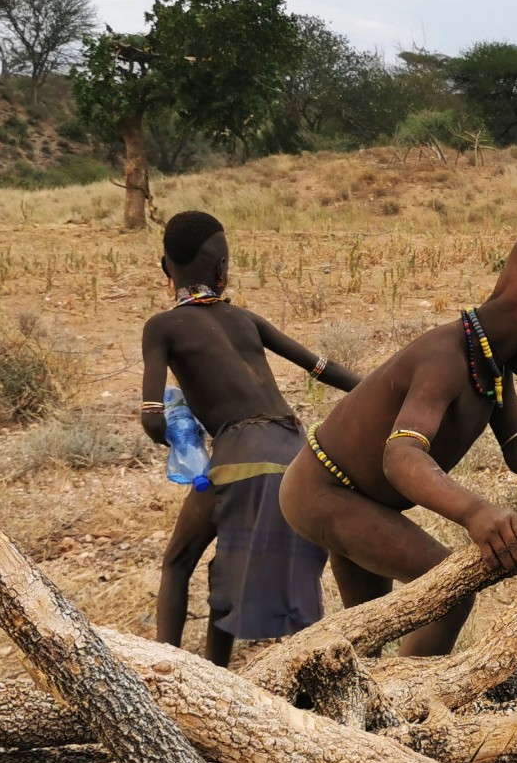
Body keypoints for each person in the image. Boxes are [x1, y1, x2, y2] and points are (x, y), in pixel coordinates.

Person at [279, 212, 517, 657]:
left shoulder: (493, 364)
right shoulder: (446, 358)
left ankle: (359, 709)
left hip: (360, 499)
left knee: (363, 640)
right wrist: (474, 511)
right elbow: (401, 456)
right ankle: (405, 706)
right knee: (449, 592)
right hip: (324, 490)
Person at [141, 210, 361, 664]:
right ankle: (309, 669)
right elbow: (322, 369)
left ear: (166, 270)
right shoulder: (246, 319)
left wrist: (183, 440)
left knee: (178, 562)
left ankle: (168, 672)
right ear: (222, 269)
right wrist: (385, 389)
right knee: (246, 563)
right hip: (299, 455)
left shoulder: (161, 327)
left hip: (240, 454)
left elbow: (152, 420)